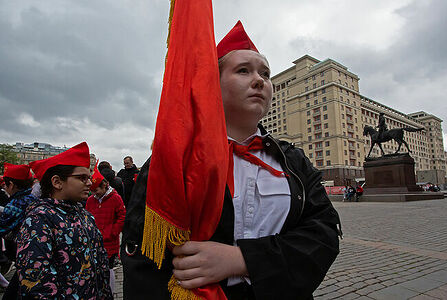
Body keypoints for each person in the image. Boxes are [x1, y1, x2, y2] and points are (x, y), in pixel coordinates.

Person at [121, 21, 341, 299]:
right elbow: (143, 258)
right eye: (243, 70)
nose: (260, 80)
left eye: (265, 73)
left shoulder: (292, 160)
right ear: (211, 84)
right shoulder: (176, 159)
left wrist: (242, 260)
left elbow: (323, 234)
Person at [16, 142, 112, 299]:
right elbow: (37, 283)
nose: (89, 183)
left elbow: (100, 267)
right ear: (57, 182)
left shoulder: (85, 215)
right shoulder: (38, 220)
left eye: (89, 177)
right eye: (82, 178)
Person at [86, 164, 126, 294]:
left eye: (96, 190)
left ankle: (109, 292)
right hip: (93, 241)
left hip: (109, 242)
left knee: (108, 269)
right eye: (92, 191)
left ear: (104, 185)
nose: (94, 194)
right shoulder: (91, 200)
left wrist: (113, 232)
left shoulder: (116, 198)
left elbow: (122, 217)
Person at [0, 163, 37, 298]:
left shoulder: (17, 203)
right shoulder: (32, 198)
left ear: (13, 185)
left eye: (6, 184)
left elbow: (3, 227)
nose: (4, 187)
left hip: (23, 254)